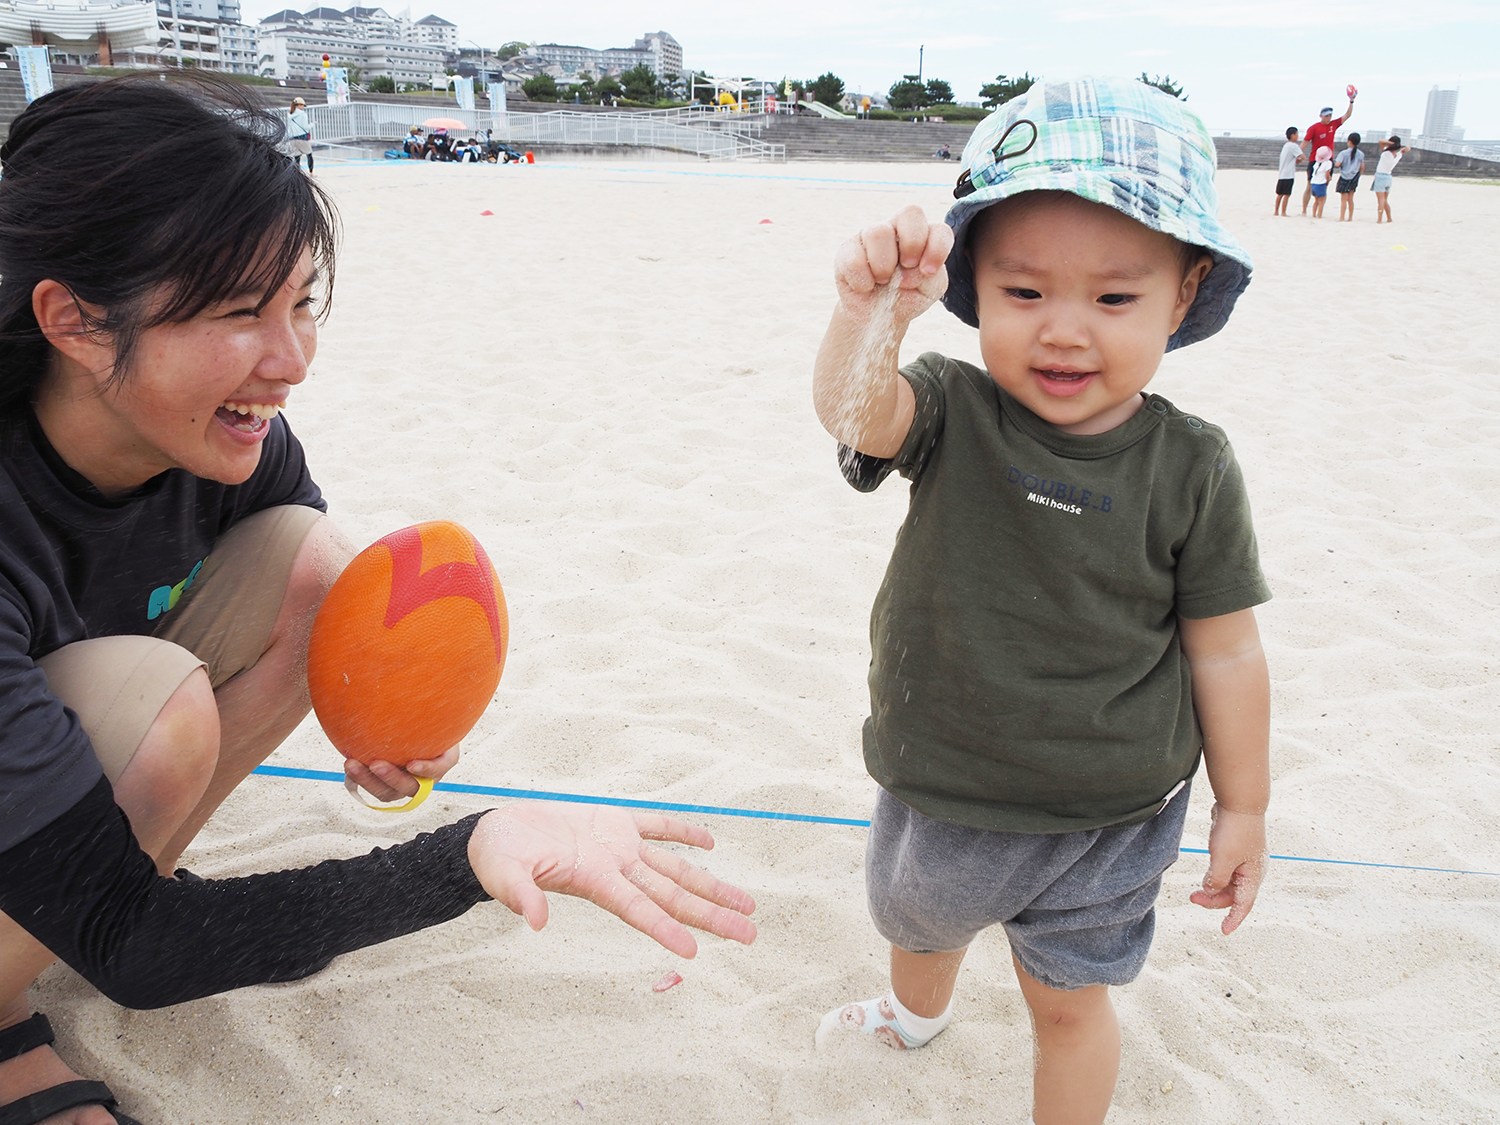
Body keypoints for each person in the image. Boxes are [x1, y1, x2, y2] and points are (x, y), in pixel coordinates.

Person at [0, 78, 756, 1125]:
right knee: (164, 718)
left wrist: (383, 725)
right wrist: (465, 856)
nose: (293, 361)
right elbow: (138, 955)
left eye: (300, 304)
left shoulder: (226, 440)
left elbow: (320, 598)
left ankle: (54, 924)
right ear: (76, 321)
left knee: (315, 563)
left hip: (45, 790)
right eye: (237, 313)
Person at [810, 77, 1269, 1125]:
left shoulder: (1193, 464)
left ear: (1184, 294)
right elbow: (854, 410)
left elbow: (1228, 651)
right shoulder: (954, 407)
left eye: (1114, 299)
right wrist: (866, 317)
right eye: (1024, 294)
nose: (1065, 331)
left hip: (1113, 814)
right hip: (945, 778)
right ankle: (913, 1016)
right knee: (918, 924)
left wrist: (1244, 806)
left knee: (1071, 1006)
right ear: (977, 285)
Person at [1301, 93, 1354, 214]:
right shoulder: (1314, 127)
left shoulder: (1333, 125)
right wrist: (1299, 154)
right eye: (1326, 116)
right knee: (1310, 185)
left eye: (1330, 115)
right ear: (1321, 116)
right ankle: (1304, 210)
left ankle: (1319, 211)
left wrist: (1351, 101)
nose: (1328, 118)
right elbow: (1305, 142)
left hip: (1328, 160)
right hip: (1315, 159)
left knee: (1325, 185)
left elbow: (1347, 115)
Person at [1373, 135, 1411, 223]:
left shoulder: (1386, 153)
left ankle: (1379, 219)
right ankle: (1389, 218)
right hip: (1388, 177)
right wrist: (1398, 145)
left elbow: (1381, 140)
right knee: (1385, 200)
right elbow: (1406, 149)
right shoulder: (1397, 155)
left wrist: (1391, 143)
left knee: (1381, 200)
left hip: (1380, 176)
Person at [1335, 132, 1364, 221]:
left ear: (1349, 141)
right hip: (1354, 176)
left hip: (1344, 176)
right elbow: (1362, 166)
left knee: (1344, 199)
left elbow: (1338, 164)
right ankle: (1350, 217)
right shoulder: (1360, 154)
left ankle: (1342, 217)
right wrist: (1359, 175)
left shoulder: (1343, 153)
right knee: (1350, 198)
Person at [1275, 125, 1303, 215]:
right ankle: (1283, 212)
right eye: (1297, 134)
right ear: (1293, 135)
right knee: (1287, 194)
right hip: (1289, 174)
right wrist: (1300, 159)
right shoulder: (1293, 146)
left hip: (1282, 174)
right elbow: (1302, 156)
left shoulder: (1286, 145)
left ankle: (1276, 211)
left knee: (1280, 194)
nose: (1298, 136)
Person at [286, 95, 313, 174]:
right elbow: (305, 127)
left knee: (296, 157)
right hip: (302, 137)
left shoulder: (290, 114)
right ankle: (311, 172)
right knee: (309, 154)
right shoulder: (303, 114)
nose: (303, 107)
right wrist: (312, 125)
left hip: (292, 138)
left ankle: (297, 173)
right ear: (299, 105)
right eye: (302, 105)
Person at [1309, 145, 1333, 218]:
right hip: (1321, 184)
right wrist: (1329, 179)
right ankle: (1319, 215)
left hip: (1313, 183)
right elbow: (1327, 174)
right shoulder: (1328, 163)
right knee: (1321, 201)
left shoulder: (1316, 163)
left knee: (1316, 200)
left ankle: (1313, 214)